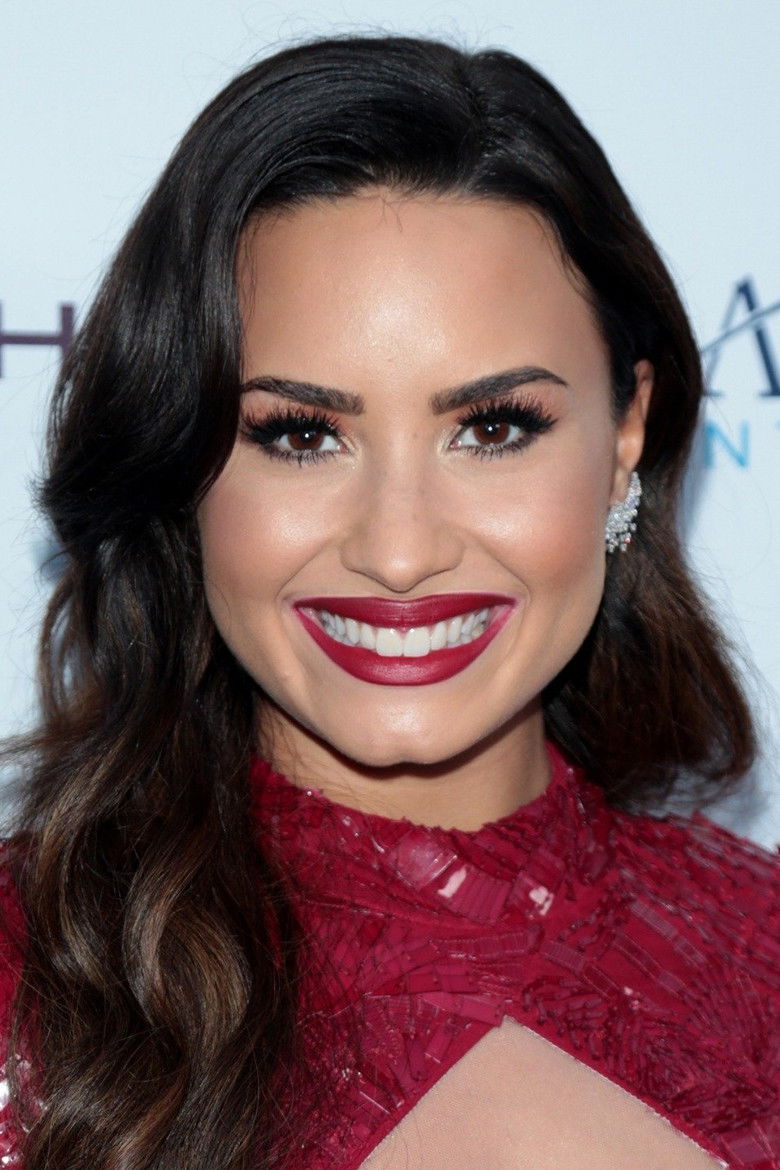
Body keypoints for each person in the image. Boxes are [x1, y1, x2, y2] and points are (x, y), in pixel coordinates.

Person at [0, 31, 776, 1170]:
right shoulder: (31, 981)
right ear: (183, 466)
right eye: (300, 435)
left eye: (493, 428)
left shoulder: (764, 948)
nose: (400, 552)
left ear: (625, 435)